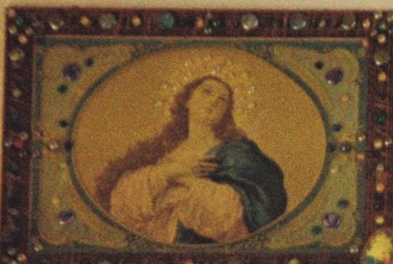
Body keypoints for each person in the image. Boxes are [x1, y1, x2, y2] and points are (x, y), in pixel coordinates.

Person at [95, 74, 289, 246]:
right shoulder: (160, 151)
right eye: (207, 92)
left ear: (226, 112)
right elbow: (123, 203)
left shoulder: (236, 154)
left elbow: (251, 213)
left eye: (222, 100)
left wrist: (186, 180)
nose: (214, 101)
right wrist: (172, 171)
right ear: (187, 100)